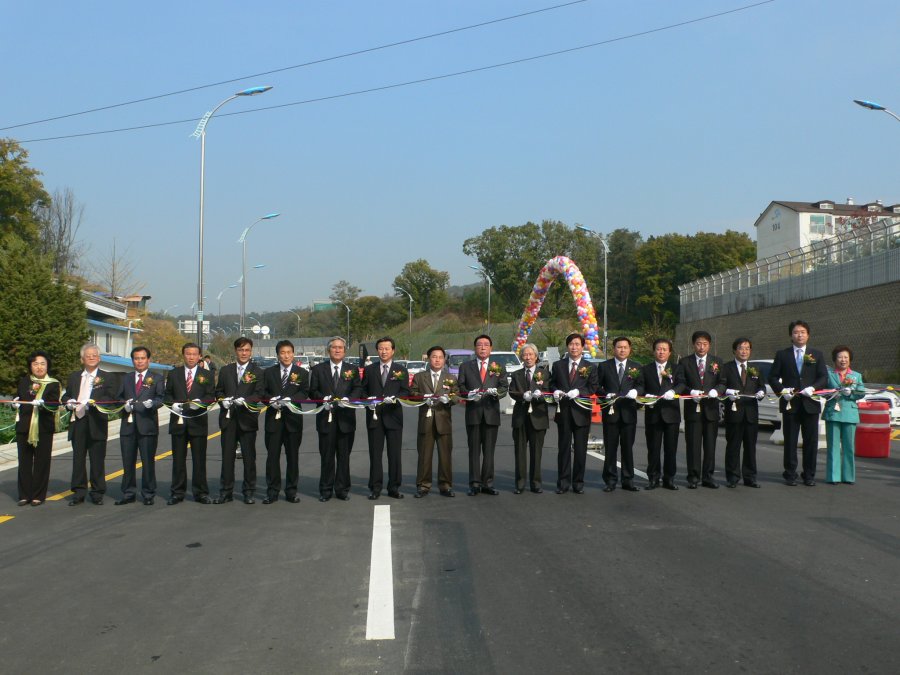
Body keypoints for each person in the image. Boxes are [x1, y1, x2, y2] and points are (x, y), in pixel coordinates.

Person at [767, 320, 828, 486]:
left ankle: (809, 475)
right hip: (790, 404)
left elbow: (823, 377)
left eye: (802, 332)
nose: (799, 335)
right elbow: (772, 377)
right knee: (790, 441)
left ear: (808, 335)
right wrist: (782, 390)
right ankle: (790, 474)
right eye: (796, 332)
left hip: (810, 404)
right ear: (791, 335)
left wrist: (813, 388)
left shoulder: (817, 354)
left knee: (811, 442)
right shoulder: (782, 354)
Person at [308, 336, 363, 501]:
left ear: (345, 351)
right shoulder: (318, 369)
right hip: (326, 419)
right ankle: (325, 490)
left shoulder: (352, 369)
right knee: (327, 456)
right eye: (334, 347)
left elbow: (358, 389)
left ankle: (342, 489)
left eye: (340, 348)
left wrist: (349, 399)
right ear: (328, 350)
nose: (337, 350)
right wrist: (322, 398)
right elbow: (312, 391)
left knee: (344, 457)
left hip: (346, 420)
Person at [62, 343, 116, 506]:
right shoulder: (74, 376)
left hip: (96, 421)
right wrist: (68, 402)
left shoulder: (107, 377)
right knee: (78, 459)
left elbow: (111, 397)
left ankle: (97, 492)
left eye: (94, 355)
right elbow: (66, 395)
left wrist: (94, 402)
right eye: (88, 355)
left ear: (99, 358)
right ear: (82, 359)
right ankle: (78, 492)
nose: (91, 358)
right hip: (78, 421)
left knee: (97, 459)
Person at [214, 337, 264, 504]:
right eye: (241, 350)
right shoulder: (225, 370)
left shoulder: (257, 371)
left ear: (251, 351)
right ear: (235, 351)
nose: (244, 353)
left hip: (247, 419)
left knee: (249, 457)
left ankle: (249, 491)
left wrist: (246, 400)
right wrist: (223, 400)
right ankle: (225, 491)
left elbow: (259, 393)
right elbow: (219, 391)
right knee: (227, 457)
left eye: (247, 350)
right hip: (228, 419)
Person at [457, 334, 508, 496]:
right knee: (474, 451)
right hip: (473, 413)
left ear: (491, 348)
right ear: (475, 348)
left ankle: (488, 483)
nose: (483, 347)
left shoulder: (498, 366)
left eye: (486, 344)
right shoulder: (466, 366)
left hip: (491, 413)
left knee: (489, 451)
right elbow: (460, 387)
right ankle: (474, 484)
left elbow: (504, 387)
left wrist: (496, 393)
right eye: (480, 344)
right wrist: (469, 394)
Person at [164, 342, 215, 504]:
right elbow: (167, 395)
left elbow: (211, 396)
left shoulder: (206, 375)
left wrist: (201, 403)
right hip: (178, 422)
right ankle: (177, 492)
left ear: (199, 356)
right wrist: (173, 404)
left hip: (198, 421)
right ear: (183, 355)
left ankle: (201, 493)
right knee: (178, 460)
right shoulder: (174, 374)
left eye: (194, 354)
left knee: (199, 460)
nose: (191, 357)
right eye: (188, 354)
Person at [114, 346, 165, 505]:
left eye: (143, 358)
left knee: (148, 461)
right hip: (128, 425)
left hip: (147, 425)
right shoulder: (126, 378)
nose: (140, 361)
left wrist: (153, 404)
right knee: (128, 461)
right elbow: (118, 398)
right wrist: (124, 404)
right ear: (132, 360)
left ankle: (148, 493)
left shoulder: (156, 378)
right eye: (136, 358)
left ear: (148, 360)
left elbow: (161, 398)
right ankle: (128, 493)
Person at [261, 340, 309, 503]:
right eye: (282, 353)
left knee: (292, 457)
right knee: (272, 457)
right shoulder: (269, 372)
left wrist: (291, 399)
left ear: (293, 354)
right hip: (273, 420)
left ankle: (291, 491)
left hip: (293, 420)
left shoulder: (302, 373)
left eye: (289, 352)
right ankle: (272, 491)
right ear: (278, 355)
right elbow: (262, 392)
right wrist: (270, 400)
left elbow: (305, 392)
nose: (286, 356)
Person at [362, 336, 409, 500]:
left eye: (387, 348)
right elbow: (363, 390)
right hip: (374, 417)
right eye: (381, 348)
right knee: (375, 454)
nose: (384, 351)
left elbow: (406, 391)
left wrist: (395, 398)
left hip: (393, 416)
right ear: (377, 350)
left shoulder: (400, 370)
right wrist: (368, 400)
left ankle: (394, 487)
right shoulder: (370, 370)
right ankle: (375, 487)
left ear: (393, 351)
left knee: (394, 454)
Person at [550, 333, 598, 494]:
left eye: (577, 344)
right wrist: (555, 390)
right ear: (567, 346)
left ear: (582, 347)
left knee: (580, 450)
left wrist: (579, 391)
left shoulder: (590, 367)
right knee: (563, 449)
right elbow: (552, 383)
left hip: (581, 413)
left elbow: (593, 387)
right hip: (563, 412)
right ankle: (563, 483)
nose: (574, 347)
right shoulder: (558, 365)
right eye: (571, 344)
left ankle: (578, 483)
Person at [675, 330, 723, 489]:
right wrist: (691, 392)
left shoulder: (717, 361)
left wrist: (717, 390)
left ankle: (708, 477)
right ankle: (693, 477)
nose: (701, 347)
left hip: (711, 410)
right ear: (693, 345)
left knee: (710, 446)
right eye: (698, 344)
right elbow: (680, 383)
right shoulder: (684, 362)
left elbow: (722, 382)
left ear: (709, 345)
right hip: (692, 410)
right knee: (693, 445)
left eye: (705, 344)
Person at [12, 351, 60, 506]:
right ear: (30, 366)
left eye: (42, 364)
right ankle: (24, 494)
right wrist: (15, 403)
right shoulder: (24, 381)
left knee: (42, 461)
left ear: (47, 366)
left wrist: (43, 404)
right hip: (24, 426)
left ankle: (38, 495)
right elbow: (18, 398)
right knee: (24, 461)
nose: (39, 367)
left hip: (43, 427)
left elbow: (54, 405)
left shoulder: (53, 384)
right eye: (35, 364)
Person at [718, 338, 767, 488]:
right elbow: (721, 385)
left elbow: (762, 386)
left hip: (751, 413)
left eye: (747, 348)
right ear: (734, 350)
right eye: (741, 348)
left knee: (750, 447)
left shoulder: (755, 368)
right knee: (733, 446)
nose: (744, 351)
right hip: (734, 412)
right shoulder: (726, 367)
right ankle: (732, 477)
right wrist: (727, 391)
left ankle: (750, 477)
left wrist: (761, 392)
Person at [597, 336, 644, 492]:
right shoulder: (604, 366)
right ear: (614, 349)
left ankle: (628, 480)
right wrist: (605, 394)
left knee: (627, 448)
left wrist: (636, 391)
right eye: (619, 347)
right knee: (610, 448)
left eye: (625, 347)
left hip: (628, 413)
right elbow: (596, 386)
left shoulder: (636, 366)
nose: (622, 350)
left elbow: (641, 386)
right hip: (611, 412)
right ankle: (610, 480)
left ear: (630, 349)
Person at [410, 345, 458, 498]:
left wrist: (449, 400)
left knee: (445, 456)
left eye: (440, 357)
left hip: (444, 420)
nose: (437, 360)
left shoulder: (450, 378)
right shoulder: (419, 377)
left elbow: (456, 396)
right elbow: (412, 393)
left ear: (444, 360)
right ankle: (423, 485)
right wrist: (424, 398)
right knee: (424, 455)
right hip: (426, 420)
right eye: (434, 357)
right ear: (428, 359)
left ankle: (446, 485)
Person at [508, 343, 550, 494]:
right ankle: (520, 483)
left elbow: (549, 391)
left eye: (531, 354)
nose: (528, 357)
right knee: (520, 452)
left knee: (536, 452)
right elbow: (512, 391)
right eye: (525, 355)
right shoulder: (516, 374)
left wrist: (540, 395)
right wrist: (522, 396)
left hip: (538, 417)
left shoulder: (544, 373)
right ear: (521, 357)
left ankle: (536, 483)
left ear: (536, 356)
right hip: (520, 417)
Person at [641, 338, 680, 490]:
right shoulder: (646, 369)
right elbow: (641, 387)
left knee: (671, 449)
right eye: (658, 349)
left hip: (671, 414)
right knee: (653, 448)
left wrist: (673, 391)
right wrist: (646, 396)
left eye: (664, 349)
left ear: (670, 352)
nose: (661, 352)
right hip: (653, 414)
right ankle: (653, 478)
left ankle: (669, 479)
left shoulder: (676, 368)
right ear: (654, 351)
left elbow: (682, 383)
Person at [823, 345, 865, 485]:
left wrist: (850, 393)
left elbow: (861, 392)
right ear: (835, 359)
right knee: (833, 446)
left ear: (850, 359)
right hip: (833, 413)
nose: (843, 360)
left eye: (846, 357)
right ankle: (833, 476)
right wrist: (831, 392)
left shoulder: (856, 375)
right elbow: (822, 391)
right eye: (840, 357)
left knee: (849, 446)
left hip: (850, 414)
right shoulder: (828, 374)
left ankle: (848, 476)